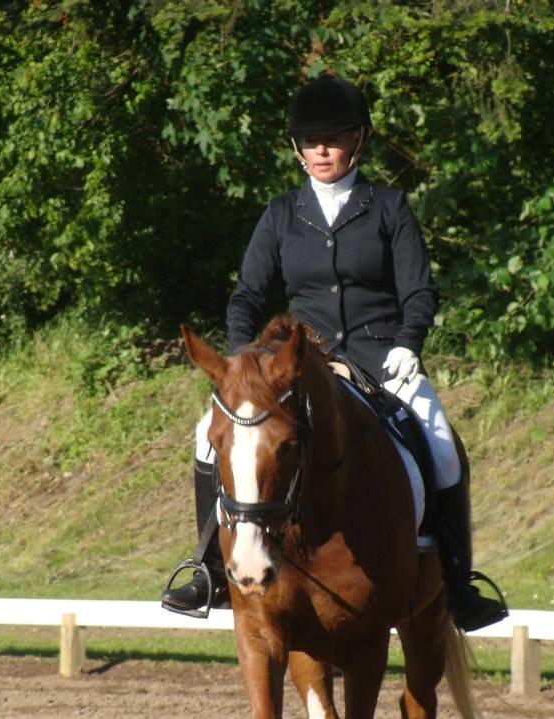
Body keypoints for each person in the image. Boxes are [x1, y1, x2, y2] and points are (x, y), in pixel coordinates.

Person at [162, 72, 506, 631]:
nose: (324, 149)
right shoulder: (280, 214)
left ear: (358, 141)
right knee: (207, 437)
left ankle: (458, 582)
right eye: (313, 140)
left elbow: (419, 290)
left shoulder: (389, 208)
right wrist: (239, 366)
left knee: (440, 443)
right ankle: (207, 569)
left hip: (379, 358)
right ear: (298, 148)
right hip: (298, 365)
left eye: (337, 138)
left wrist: (407, 345)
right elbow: (248, 294)